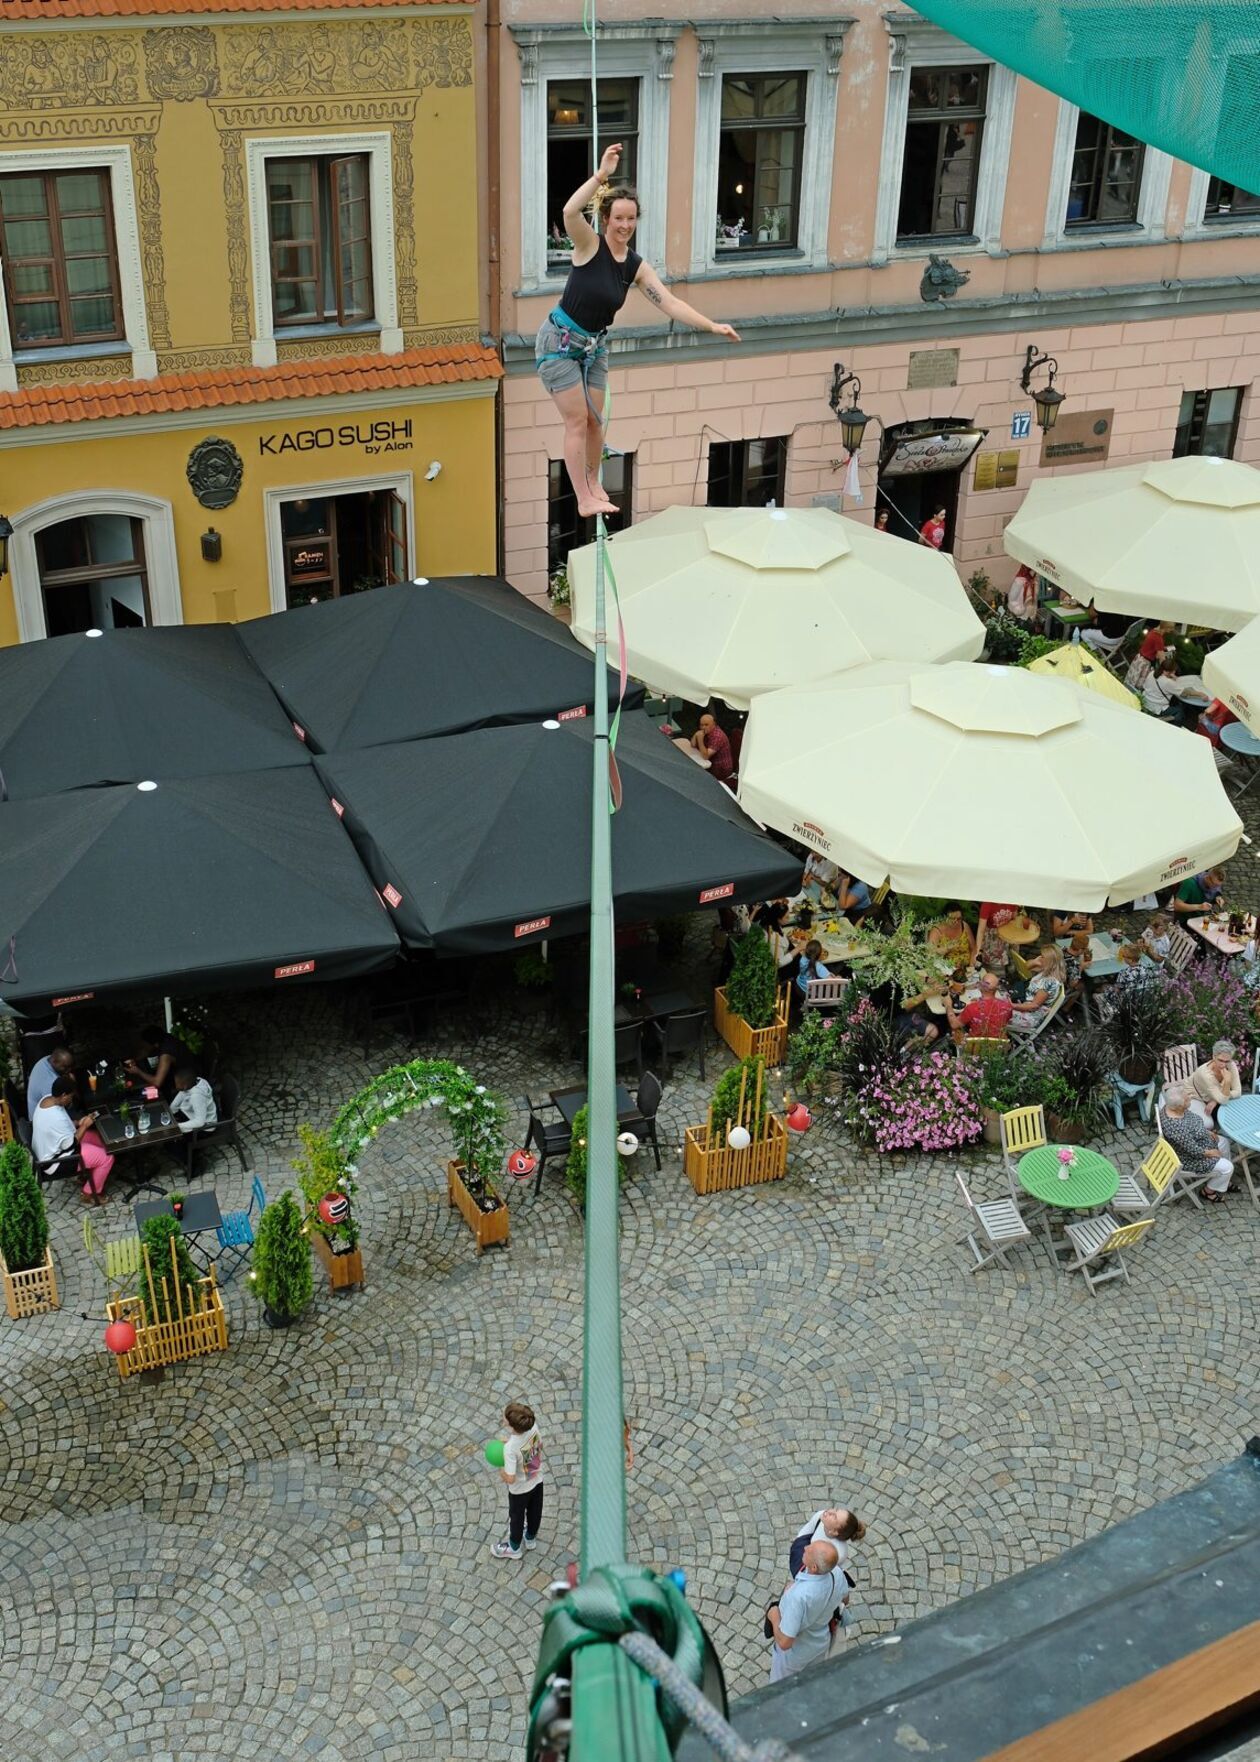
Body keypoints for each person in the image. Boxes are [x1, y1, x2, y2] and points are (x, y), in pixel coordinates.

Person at [536, 144, 740, 517]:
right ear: (606, 218)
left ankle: (595, 484)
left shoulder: (634, 266)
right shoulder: (588, 245)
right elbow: (568, 212)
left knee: (599, 423)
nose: (625, 226)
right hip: (560, 343)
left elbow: (670, 303)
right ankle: (582, 497)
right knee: (578, 420)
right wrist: (600, 176)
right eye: (619, 218)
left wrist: (712, 325)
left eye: (631, 219)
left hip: (594, 347)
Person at [766, 1540, 848, 1682]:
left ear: (814, 1567)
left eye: (809, 1550)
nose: (805, 1547)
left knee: (779, 1689)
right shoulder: (837, 1573)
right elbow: (845, 1599)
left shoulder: (799, 1597)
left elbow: (785, 1643)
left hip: (794, 1657)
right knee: (810, 1681)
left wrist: (774, 1616)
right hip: (820, 1643)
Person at [32, 1073, 114, 1204]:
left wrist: (78, 1122)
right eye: (70, 1096)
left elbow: (64, 1125)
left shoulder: (47, 1099)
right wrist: (85, 1125)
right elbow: (71, 1144)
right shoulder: (56, 1118)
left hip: (51, 1148)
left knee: (101, 1139)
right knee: (107, 1157)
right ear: (64, 1095)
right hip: (55, 1162)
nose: (71, 1099)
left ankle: (88, 1175)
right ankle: (89, 1193)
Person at [1159, 1082, 1234, 1202]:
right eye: (1187, 1099)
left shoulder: (1171, 1107)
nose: (1189, 1099)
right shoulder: (1176, 1128)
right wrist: (1211, 1153)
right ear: (1179, 1106)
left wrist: (1206, 1132)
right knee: (1228, 1167)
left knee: (1224, 1142)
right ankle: (1208, 1191)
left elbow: (1192, 1125)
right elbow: (1193, 1150)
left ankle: (1224, 1179)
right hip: (1190, 1158)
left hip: (1198, 1140)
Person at [491, 1401, 545, 1560]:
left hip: (519, 1489)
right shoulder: (533, 1427)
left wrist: (501, 1465)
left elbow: (510, 1477)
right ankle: (530, 1538)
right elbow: (534, 1446)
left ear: (511, 1423)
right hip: (536, 1479)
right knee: (535, 1510)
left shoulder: (510, 1449)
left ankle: (514, 1547)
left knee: (517, 1516)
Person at [1008, 947, 1064, 1035]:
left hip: (1030, 1016)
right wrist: (1035, 962)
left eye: (1043, 956)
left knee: (994, 1013)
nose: (1040, 957)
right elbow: (1027, 966)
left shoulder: (1050, 982)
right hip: (1024, 1005)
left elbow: (1033, 1006)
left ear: (1050, 961)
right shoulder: (1045, 970)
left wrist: (1011, 1006)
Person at [124, 1024, 192, 1095]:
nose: (143, 1047)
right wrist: (134, 1059)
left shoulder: (166, 1054)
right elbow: (146, 1051)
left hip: (186, 1082)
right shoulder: (165, 1038)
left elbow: (157, 1082)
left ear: (154, 1044)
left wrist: (138, 1071)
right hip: (179, 1074)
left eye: (144, 1045)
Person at [946, 971, 1012, 1041]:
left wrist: (948, 1005)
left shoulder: (972, 1008)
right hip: (998, 1045)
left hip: (975, 1045)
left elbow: (954, 1024)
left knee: (954, 1030)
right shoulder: (1007, 1006)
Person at [1189, 1040, 1242, 1121]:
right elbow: (1224, 1100)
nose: (1223, 1065)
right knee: (1229, 1118)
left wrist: (1215, 1101)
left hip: (1216, 1096)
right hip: (1197, 1097)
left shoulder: (1231, 1065)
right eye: (1220, 1060)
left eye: (1227, 1061)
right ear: (1213, 1056)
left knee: (1239, 1112)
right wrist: (1227, 1082)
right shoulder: (1205, 1074)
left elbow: (1238, 1092)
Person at [168, 1066, 217, 1143]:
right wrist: (170, 1113)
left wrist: (178, 1126)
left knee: (172, 1139)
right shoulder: (196, 1081)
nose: (175, 1086)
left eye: (177, 1084)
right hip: (192, 1115)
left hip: (205, 1128)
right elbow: (176, 1103)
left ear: (185, 1086)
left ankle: (187, 1152)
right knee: (171, 1124)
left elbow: (199, 1122)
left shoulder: (196, 1096)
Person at [1124, 621, 1176, 693]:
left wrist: (1163, 649)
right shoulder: (1158, 638)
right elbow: (1162, 659)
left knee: (1131, 681)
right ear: (1166, 628)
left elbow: (1154, 647)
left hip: (1139, 659)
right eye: (1171, 629)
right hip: (1144, 663)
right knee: (1137, 686)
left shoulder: (1154, 631)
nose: (1172, 631)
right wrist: (1170, 673)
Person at [26, 1045, 75, 1118]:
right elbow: (62, 1106)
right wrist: (72, 1084)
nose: (69, 1070)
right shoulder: (51, 1084)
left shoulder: (46, 1060)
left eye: (70, 1066)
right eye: (65, 1067)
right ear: (54, 1062)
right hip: (42, 1120)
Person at [691, 713, 734, 784]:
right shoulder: (706, 732)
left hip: (722, 769)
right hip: (712, 763)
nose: (703, 727)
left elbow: (705, 756)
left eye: (706, 725)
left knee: (697, 776)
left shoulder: (717, 736)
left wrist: (700, 739)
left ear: (713, 724)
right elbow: (693, 745)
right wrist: (696, 734)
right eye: (701, 725)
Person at [1141, 649, 1182, 718]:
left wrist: (1171, 676)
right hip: (1156, 709)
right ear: (1172, 671)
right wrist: (1200, 694)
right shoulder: (1168, 682)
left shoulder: (1152, 673)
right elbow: (1183, 692)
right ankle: (1176, 725)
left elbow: (1145, 686)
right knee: (1180, 710)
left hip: (1145, 701)